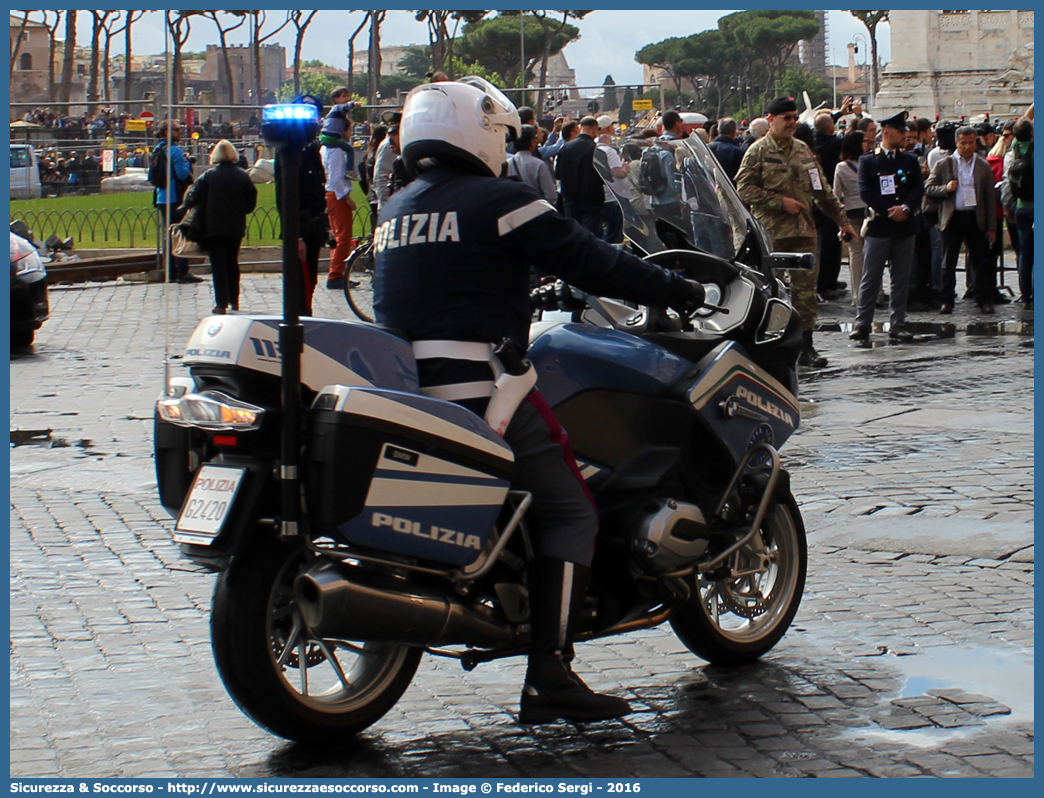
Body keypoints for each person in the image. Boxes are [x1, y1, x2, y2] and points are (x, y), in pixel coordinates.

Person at [372, 77, 704, 725]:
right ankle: (550, 672)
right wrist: (679, 288)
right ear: (482, 134)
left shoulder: (395, 207)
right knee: (572, 510)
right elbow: (594, 261)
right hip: (479, 384)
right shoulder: (503, 198)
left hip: (405, 387)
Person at [735, 97, 858, 367]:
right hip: (772, 234)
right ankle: (768, 345)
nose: (791, 122)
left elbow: (822, 191)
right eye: (786, 118)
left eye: (794, 117)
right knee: (769, 290)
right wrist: (780, 202)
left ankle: (806, 347)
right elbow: (743, 188)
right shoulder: (758, 151)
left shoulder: (803, 150)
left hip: (804, 231)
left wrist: (842, 220)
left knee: (805, 291)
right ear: (771, 120)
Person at [849, 111, 926, 342]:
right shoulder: (868, 160)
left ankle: (898, 323)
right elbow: (865, 191)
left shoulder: (910, 160)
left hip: (904, 226)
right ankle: (862, 322)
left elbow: (917, 189)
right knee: (871, 277)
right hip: (880, 225)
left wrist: (905, 209)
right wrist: (888, 210)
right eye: (901, 132)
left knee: (900, 278)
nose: (905, 136)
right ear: (888, 132)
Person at [923, 125, 998, 314]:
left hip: (975, 216)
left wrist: (991, 226)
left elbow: (989, 198)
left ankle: (983, 299)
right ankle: (946, 300)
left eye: (971, 143)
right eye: (963, 143)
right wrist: (946, 189)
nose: (967, 147)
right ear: (957, 143)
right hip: (952, 217)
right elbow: (928, 188)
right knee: (948, 261)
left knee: (979, 261)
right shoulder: (944, 164)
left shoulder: (982, 165)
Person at [180, 140, 258, 315]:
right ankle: (234, 299)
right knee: (232, 262)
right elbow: (250, 204)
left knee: (218, 265)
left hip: (213, 225)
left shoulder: (208, 176)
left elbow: (193, 196)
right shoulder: (243, 175)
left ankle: (220, 303)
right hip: (235, 226)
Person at [152, 120, 200, 284]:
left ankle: (169, 271)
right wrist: (187, 163)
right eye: (176, 130)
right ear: (167, 132)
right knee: (181, 234)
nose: (180, 132)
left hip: (161, 197)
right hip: (175, 197)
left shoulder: (158, 149)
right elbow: (181, 174)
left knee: (168, 234)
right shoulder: (175, 150)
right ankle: (182, 270)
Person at [321, 107, 358, 290]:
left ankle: (337, 272)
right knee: (343, 237)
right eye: (349, 130)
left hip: (331, 193)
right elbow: (335, 178)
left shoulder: (328, 148)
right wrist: (346, 197)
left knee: (339, 236)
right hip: (336, 194)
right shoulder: (336, 150)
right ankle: (335, 274)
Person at [832, 131, 869, 307]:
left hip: (851, 213)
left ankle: (857, 295)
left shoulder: (841, 167)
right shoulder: (870, 163)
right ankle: (875, 292)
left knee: (856, 255)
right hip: (869, 212)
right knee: (873, 254)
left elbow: (836, 194)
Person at [554, 116, 605, 236]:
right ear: (594, 129)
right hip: (592, 199)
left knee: (573, 234)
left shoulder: (565, 148)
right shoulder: (596, 150)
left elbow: (558, 174)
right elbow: (604, 177)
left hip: (570, 199)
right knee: (591, 236)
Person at [1006, 113, 1033, 309]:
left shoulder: (1015, 147)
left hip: (1021, 207)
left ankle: (1026, 294)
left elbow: (1021, 125)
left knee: (1025, 254)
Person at [595, 116, 630, 244]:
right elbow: (618, 173)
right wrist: (625, 169)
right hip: (613, 199)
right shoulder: (609, 151)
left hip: (600, 198)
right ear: (608, 128)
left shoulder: (594, 148)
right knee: (613, 237)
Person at [507, 125, 557, 204]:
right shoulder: (539, 165)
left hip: (515, 208)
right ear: (532, 142)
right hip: (536, 209)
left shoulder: (507, 164)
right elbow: (551, 195)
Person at [707, 117, 743, 182]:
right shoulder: (737, 152)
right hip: (729, 190)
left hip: (708, 188)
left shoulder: (706, 148)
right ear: (734, 132)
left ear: (718, 131)